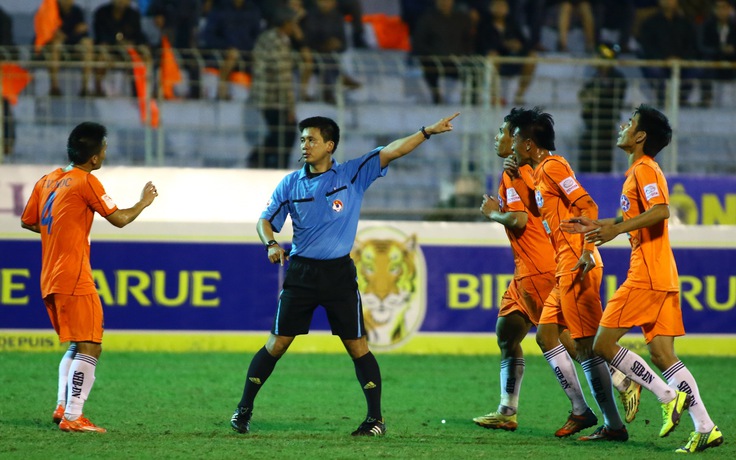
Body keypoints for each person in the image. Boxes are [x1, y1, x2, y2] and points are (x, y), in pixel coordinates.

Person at [230, 112, 461, 436]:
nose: (305, 146)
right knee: (277, 344)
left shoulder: (352, 173)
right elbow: (264, 220)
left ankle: (375, 420)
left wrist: (427, 132)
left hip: (338, 274)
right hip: (301, 273)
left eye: (311, 139)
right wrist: (270, 242)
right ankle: (243, 410)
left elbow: (393, 150)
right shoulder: (290, 184)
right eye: (302, 140)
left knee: (358, 347)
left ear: (330, 145)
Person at [559, 104, 724, 453]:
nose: (622, 126)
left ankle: (667, 396)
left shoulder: (645, 169)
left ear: (640, 136)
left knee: (601, 345)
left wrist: (617, 230)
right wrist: (600, 225)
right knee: (663, 355)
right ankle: (706, 427)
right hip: (662, 271)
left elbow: (661, 211)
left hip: (646, 273)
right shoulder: (640, 171)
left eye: (629, 123)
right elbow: (632, 215)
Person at [20, 121, 158, 432]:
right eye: (104, 150)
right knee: (91, 343)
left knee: (76, 342)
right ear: (94, 158)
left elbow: (29, 222)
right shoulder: (86, 181)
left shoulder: (47, 180)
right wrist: (143, 202)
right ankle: (73, 417)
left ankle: (62, 407)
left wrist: (64, 231)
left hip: (49, 276)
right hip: (73, 275)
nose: (105, 155)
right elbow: (120, 219)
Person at [503, 107, 631, 441]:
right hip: (564, 263)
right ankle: (585, 411)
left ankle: (650, 389)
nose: (510, 142)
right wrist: (519, 175)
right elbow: (539, 211)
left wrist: (588, 249)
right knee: (547, 336)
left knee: (589, 346)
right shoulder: (538, 171)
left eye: (514, 136)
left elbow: (586, 205)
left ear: (529, 143)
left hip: (576, 261)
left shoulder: (555, 165)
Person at [473, 108, 585, 432]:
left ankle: (618, 378)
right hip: (527, 269)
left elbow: (520, 220)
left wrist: (493, 213)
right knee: (507, 333)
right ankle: (507, 410)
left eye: (503, 132)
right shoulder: (527, 169)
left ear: (520, 140)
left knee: (562, 338)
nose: (497, 137)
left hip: (538, 267)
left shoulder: (518, 172)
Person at [247, 8, 299, 169]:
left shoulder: (266, 37)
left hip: (262, 95)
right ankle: (269, 163)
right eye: (293, 23)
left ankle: (261, 160)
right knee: (287, 134)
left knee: (279, 133)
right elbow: (283, 77)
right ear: (286, 24)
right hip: (274, 98)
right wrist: (290, 107)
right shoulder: (279, 42)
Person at [636, 0, 702, 106]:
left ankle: (681, 99)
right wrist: (664, 58)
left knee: (696, 69)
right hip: (659, 61)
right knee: (655, 70)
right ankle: (663, 99)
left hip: (681, 62)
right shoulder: (650, 22)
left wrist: (681, 59)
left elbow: (691, 46)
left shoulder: (685, 23)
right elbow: (647, 46)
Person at [475, 0, 537, 105]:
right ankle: (493, 96)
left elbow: (525, 43)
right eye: (497, 6)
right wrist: (505, 45)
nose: (500, 9)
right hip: (495, 59)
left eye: (503, 6)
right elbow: (483, 44)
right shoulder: (484, 24)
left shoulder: (512, 23)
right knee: (492, 56)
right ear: (491, 8)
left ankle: (520, 94)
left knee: (532, 57)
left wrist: (518, 46)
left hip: (512, 58)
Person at [412, 0, 474, 104]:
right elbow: (419, 42)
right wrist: (433, 55)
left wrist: (464, 55)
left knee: (474, 69)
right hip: (434, 60)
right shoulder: (427, 19)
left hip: (457, 60)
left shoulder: (462, 19)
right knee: (429, 67)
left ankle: (472, 100)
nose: (445, 2)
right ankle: (436, 96)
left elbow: (468, 41)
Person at [577, 42, 627, 172]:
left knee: (603, 160)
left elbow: (614, 101)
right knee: (586, 158)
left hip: (606, 125)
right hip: (591, 125)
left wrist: (597, 96)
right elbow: (583, 96)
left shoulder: (618, 78)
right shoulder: (595, 78)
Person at [200, 0, 263, 100]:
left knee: (241, 98)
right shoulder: (219, 9)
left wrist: (240, 50)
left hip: (242, 66)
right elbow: (208, 36)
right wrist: (227, 48)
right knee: (211, 98)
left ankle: (223, 81)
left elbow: (258, 38)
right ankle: (221, 82)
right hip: (217, 63)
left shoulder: (252, 10)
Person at [146, 0, 204, 99]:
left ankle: (195, 96)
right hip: (167, 31)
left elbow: (195, 15)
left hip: (185, 34)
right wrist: (158, 14)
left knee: (194, 62)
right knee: (157, 59)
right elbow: (154, 9)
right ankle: (155, 92)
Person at [93, 0, 150, 97]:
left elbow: (139, 35)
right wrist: (116, 41)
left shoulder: (133, 14)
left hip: (127, 50)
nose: (121, 2)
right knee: (102, 55)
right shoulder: (102, 12)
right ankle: (98, 89)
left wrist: (133, 43)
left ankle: (140, 90)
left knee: (144, 55)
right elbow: (100, 35)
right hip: (109, 48)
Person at [39, 0, 94, 97]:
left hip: (73, 44)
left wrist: (68, 35)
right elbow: (49, 34)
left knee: (88, 44)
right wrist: (70, 33)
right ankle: (54, 87)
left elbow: (82, 33)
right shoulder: (51, 10)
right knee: (55, 45)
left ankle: (85, 88)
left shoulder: (77, 11)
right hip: (52, 47)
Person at [698, 0, 736, 108]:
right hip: (714, 60)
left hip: (732, 60)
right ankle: (706, 98)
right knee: (704, 66)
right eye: (718, 8)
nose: (721, 11)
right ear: (714, 10)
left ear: (730, 9)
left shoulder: (734, 26)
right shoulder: (707, 26)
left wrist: (732, 50)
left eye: (724, 7)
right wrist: (720, 50)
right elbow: (702, 46)